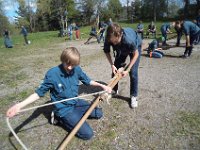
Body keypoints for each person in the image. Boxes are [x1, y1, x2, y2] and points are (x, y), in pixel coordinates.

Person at [6, 47, 112, 140]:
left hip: (75, 103)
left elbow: (88, 81)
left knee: (99, 114)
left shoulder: (76, 69)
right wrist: (19, 105)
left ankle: (76, 117)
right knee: (88, 134)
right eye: (68, 64)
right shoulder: (52, 74)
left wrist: (102, 86)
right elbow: (38, 94)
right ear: (63, 60)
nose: (70, 67)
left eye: (73, 65)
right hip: (64, 110)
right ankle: (59, 118)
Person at [103, 23, 141, 108]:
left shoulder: (128, 40)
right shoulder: (109, 37)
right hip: (122, 49)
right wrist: (112, 65)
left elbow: (136, 54)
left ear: (120, 35)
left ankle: (133, 96)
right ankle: (114, 90)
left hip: (135, 47)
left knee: (133, 72)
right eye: (112, 42)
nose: (114, 43)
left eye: (115, 41)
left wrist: (127, 69)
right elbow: (106, 51)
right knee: (115, 69)